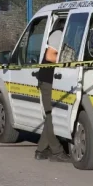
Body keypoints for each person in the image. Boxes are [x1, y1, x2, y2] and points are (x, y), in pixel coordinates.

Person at [34, 25, 70, 162]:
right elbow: (50, 56)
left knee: (50, 116)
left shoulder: (65, 34)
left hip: (54, 80)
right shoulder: (58, 33)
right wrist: (67, 62)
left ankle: (41, 150)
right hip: (48, 80)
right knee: (50, 116)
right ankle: (56, 151)